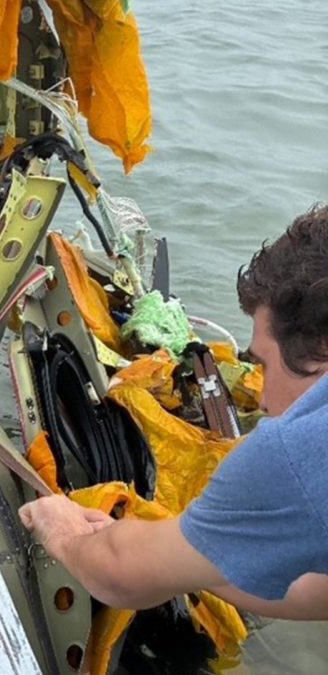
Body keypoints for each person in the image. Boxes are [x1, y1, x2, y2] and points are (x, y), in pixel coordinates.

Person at [19, 204, 328, 620]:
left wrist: (64, 531)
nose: (265, 402)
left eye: (265, 363)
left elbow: (119, 576)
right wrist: (191, 558)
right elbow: (317, 591)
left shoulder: (300, 450)